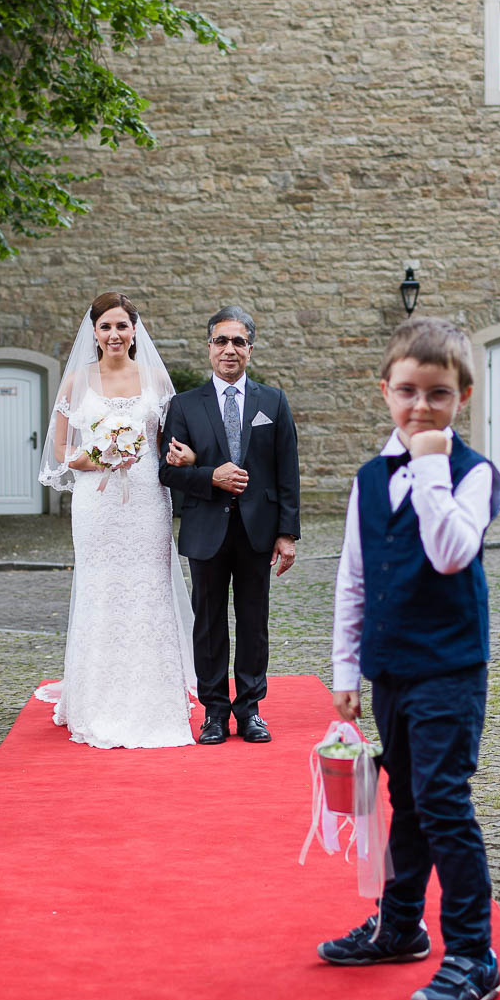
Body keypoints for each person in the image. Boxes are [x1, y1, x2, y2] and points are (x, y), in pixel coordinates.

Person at [317, 317, 500, 1000]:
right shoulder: (368, 480)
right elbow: (354, 578)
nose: (420, 407)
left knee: (443, 803)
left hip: (451, 665)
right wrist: (346, 669)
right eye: (407, 392)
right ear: (385, 392)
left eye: (438, 394)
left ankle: (473, 955)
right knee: (407, 801)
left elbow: (452, 551)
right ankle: (399, 926)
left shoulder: (474, 474)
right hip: (390, 667)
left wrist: (429, 465)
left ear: (464, 396)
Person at [35, 292, 198, 749]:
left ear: (134, 330)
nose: (114, 335)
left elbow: (171, 444)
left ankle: (155, 699)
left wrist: (184, 457)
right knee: (101, 588)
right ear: (93, 332)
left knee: (149, 586)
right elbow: (61, 452)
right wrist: (98, 455)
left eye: (122, 326)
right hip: (96, 504)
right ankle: (96, 700)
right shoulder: (76, 384)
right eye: (105, 327)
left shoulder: (156, 382)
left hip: (147, 498)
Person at [158, 305, 301, 744]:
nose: (229, 350)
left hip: (258, 530)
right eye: (221, 341)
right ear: (209, 348)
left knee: (254, 622)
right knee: (209, 623)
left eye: (238, 342)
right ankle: (215, 712)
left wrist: (287, 533)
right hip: (207, 528)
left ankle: (250, 710)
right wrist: (210, 475)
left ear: (250, 350)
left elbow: (286, 470)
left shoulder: (272, 401)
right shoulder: (182, 406)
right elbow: (167, 473)